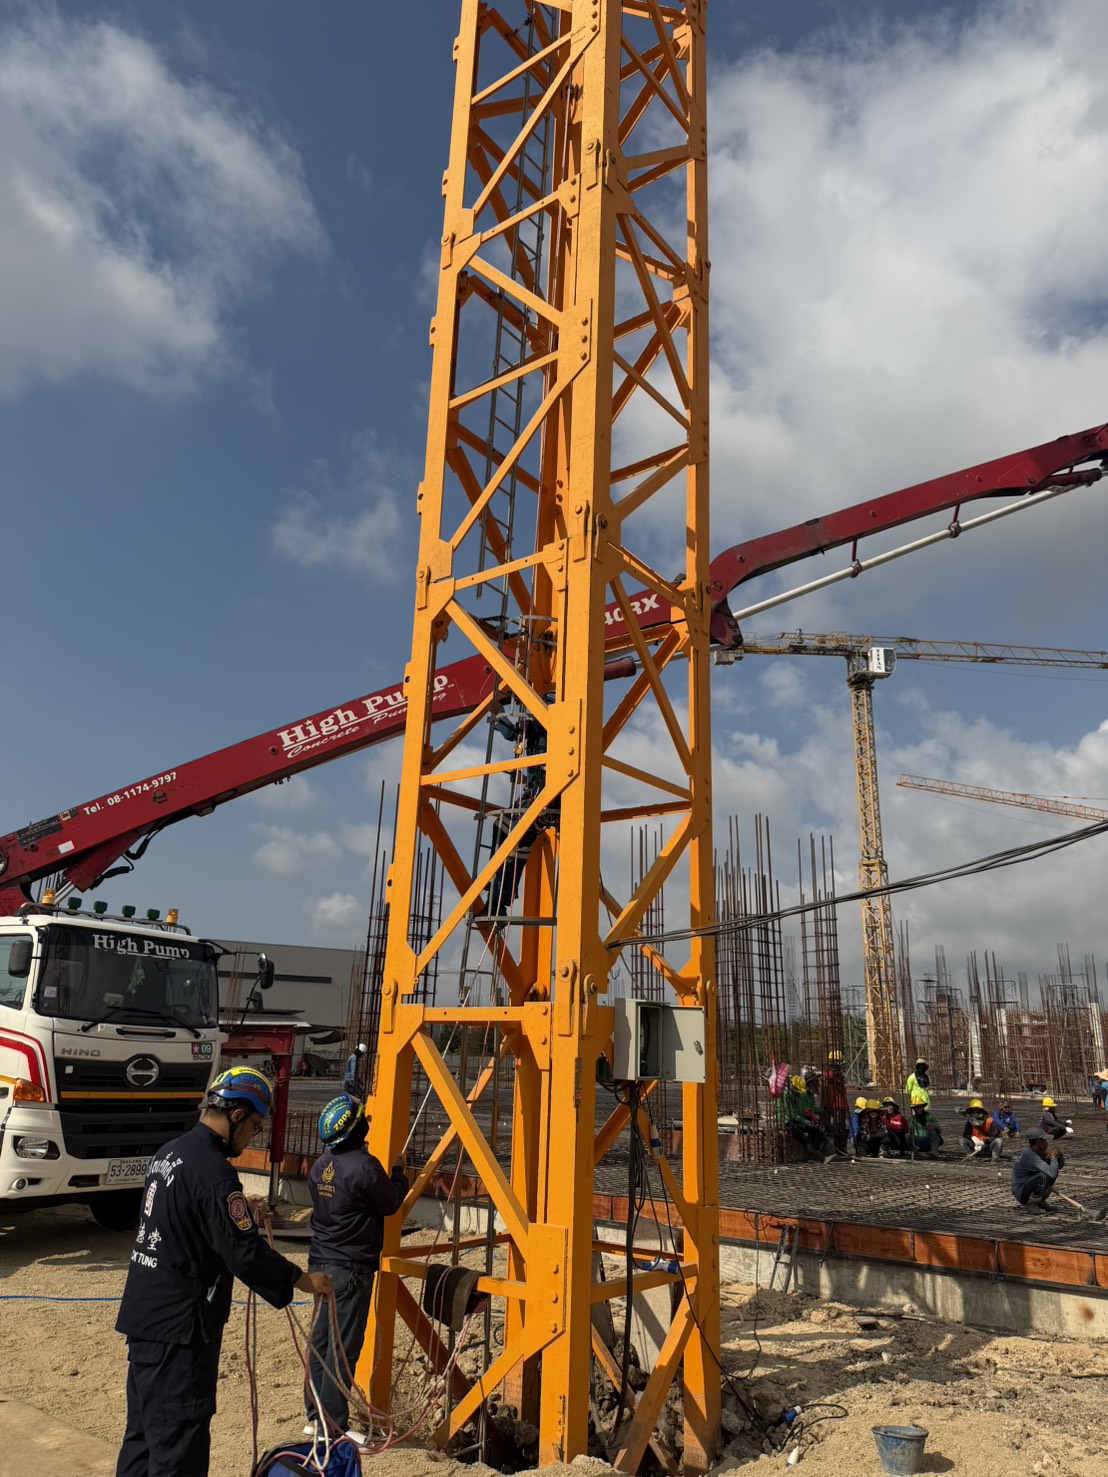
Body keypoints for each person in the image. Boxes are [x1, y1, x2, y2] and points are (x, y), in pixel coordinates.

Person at [115, 1066, 333, 1477]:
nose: (252, 1136)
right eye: (254, 1125)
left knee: (142, 1439)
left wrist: (240, 1209)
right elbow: (244, 1253)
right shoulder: (216, 1172)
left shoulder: (170, 1153)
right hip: (181, 1331)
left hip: (145, 1320)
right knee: (178, 1449)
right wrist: (303, 1280)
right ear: (236, 1116)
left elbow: (183, 1216)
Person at [304, 1093, 409, 1444]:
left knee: (321, 1343)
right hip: (350, 1268)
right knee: (342, 1348)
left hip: (321, 1263)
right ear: (356, 1129)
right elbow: (390, 1203)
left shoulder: (320, 1166)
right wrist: (400, 1175)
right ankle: (333, 1425)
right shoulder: (364, 1167)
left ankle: (315, 1417)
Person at [781, 1074, 836, 1160]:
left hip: (801, 1120)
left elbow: (808, 1109)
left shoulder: (802, 1094)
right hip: (792, 1121)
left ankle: (826, 1153)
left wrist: (820, 1112)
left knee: (820, 1130)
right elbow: (792, 1114)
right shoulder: (789, 1095)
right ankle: (821, 1156)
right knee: (807, 1137)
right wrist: (805, 1121)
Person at [1011, 1126, 1064, 1211]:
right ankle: (1031, 1203)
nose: (1047, 1143)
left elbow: (1058, 1167)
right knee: (1044, 1176)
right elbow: (1052, 1174)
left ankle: (1040, 1202)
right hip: (1021, 1192)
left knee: (1051, 1170)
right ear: (1039, 1142)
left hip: (1027, 1187)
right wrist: (1054, 1156)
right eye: (1044, 1141)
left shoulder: (1039, 1153)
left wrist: (1059, 1156)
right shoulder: (1029, 1155)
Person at [909, 1094, 942, 1159]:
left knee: (929, 1125)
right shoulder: (913, 1119)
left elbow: (940, 1131)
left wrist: (934, 1126)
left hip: (932, 1141)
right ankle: (914, 1150)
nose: (919, 1109)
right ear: (914, 1109)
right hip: (921, 1141)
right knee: (908, 1136)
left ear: (923, 1107)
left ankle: (934, 1151)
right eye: (916, 1108)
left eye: (920, 1107)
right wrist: (911, 1130)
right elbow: (910, 1132)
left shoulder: (929, 1116)